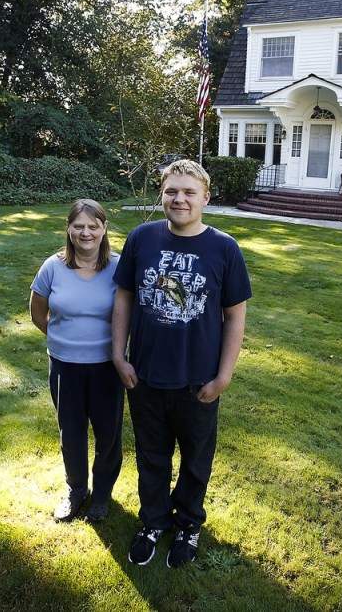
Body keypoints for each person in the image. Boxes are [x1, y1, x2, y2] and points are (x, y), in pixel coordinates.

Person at [112, 159, 252, 568]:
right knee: (151, 456)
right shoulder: (141, 239)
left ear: (205, 198)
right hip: (146, 377)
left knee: (195, 460)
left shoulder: (224, 248)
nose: (180, 199)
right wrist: (118, 356)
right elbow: (123, 297)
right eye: (172, 191)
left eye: (189, 192)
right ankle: (154, 520)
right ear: (162, 194)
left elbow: (235, 314)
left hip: (198, 382)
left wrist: (224, 376)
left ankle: (189, 523)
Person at [30, 199, 124, 523]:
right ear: (69, 228)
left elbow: (132, 314)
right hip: (65, 366)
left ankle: (101, 494)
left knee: (108, 434)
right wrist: (63, 340)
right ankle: (76, 490)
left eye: (93, 226)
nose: (86, 233)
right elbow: (37, 312)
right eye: (79, 226)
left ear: (104, 228)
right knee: (70, 432)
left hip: (107, 367)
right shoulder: (52, 267)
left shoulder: (119, 267)